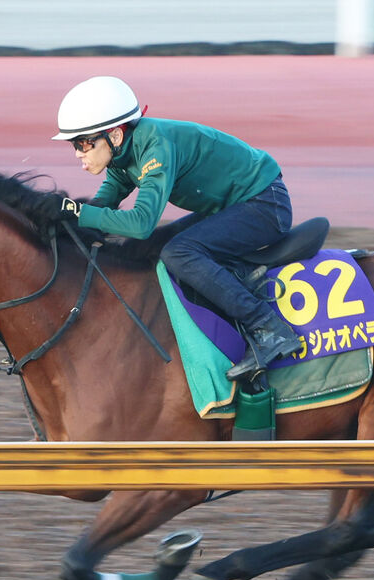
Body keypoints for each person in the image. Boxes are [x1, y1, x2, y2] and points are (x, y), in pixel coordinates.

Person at [44, 75, 300, 381]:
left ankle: (269, 328)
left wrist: (79, 213)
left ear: (114, 134)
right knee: (155, 249)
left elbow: (140, 223)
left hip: (265, 204)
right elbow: (103, 206)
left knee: (178, 253)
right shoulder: (123, 156)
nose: (77, 153)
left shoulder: (155, 146)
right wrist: (60, 216)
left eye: (83, 142)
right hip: (234, 206)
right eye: (75, 144)